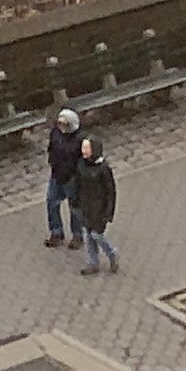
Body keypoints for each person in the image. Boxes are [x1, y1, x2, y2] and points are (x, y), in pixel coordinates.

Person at [73, 138, 121, 275]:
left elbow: (110, 192)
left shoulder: (103, 169)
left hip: (99, 209)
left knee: (97, 234)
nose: (83, 151)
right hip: (86, 206)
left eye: (86, 148)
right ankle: (93, 263)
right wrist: (75, 200)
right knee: (88, 235)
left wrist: (109, 212)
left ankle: (112, 253)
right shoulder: (81, 164)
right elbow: (77, 183)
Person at [43, 106, 85, 248]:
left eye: (64, 124)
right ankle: (56, 232)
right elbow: (51, 148)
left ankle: (77, 236)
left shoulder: (79, 139)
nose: (61, 127)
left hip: (72, 177)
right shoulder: (56, 133)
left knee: (75, 207)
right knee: (51, 202)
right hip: (56, 174)